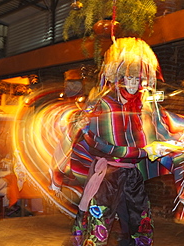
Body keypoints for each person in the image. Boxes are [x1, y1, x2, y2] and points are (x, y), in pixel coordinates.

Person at [65, 38, 158, 246]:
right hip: (108, 175)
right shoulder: (104, 103)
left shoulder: (139, 107)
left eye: (138, 80)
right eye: (130, 78)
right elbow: (98, 143)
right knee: (99, 226)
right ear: (119, 78)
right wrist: (143, 152)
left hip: (132, 176)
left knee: (139, 224)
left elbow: (150, 137)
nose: (135, 85)